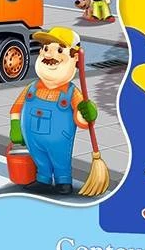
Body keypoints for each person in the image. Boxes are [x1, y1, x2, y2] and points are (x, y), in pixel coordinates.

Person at [9, 27, 98, 195]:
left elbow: (81, 120)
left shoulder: (72, 93)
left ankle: (63, 181)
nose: (49, 55)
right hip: (33, 138)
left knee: (60, 159)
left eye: (59, 50)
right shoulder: (32, 88)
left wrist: (87, 113)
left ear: (75, 58)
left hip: (59, 140)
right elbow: (16, 108)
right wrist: (15, 127)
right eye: (46, 48)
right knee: (39, 158)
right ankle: (43, 179)